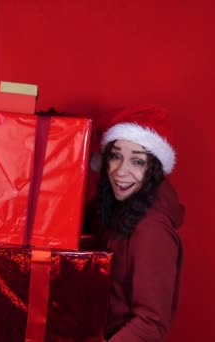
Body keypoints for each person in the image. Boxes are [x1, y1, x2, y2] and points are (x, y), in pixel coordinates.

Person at [84, 105, 185, 341]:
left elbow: (152, 323)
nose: (121, 172)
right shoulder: (107, 206)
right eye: (116, 156)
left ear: (153, 170)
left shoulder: (151, 230)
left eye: (137, 162)